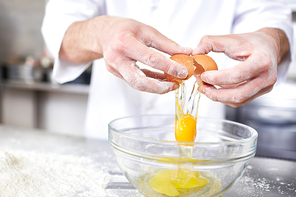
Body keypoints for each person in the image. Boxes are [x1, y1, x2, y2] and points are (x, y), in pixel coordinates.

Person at [41, 0, 293, 139]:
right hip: (111, 143)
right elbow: (59, 31)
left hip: (204, 143)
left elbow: (269, 14)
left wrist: (271, 39)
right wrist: (102, 33)